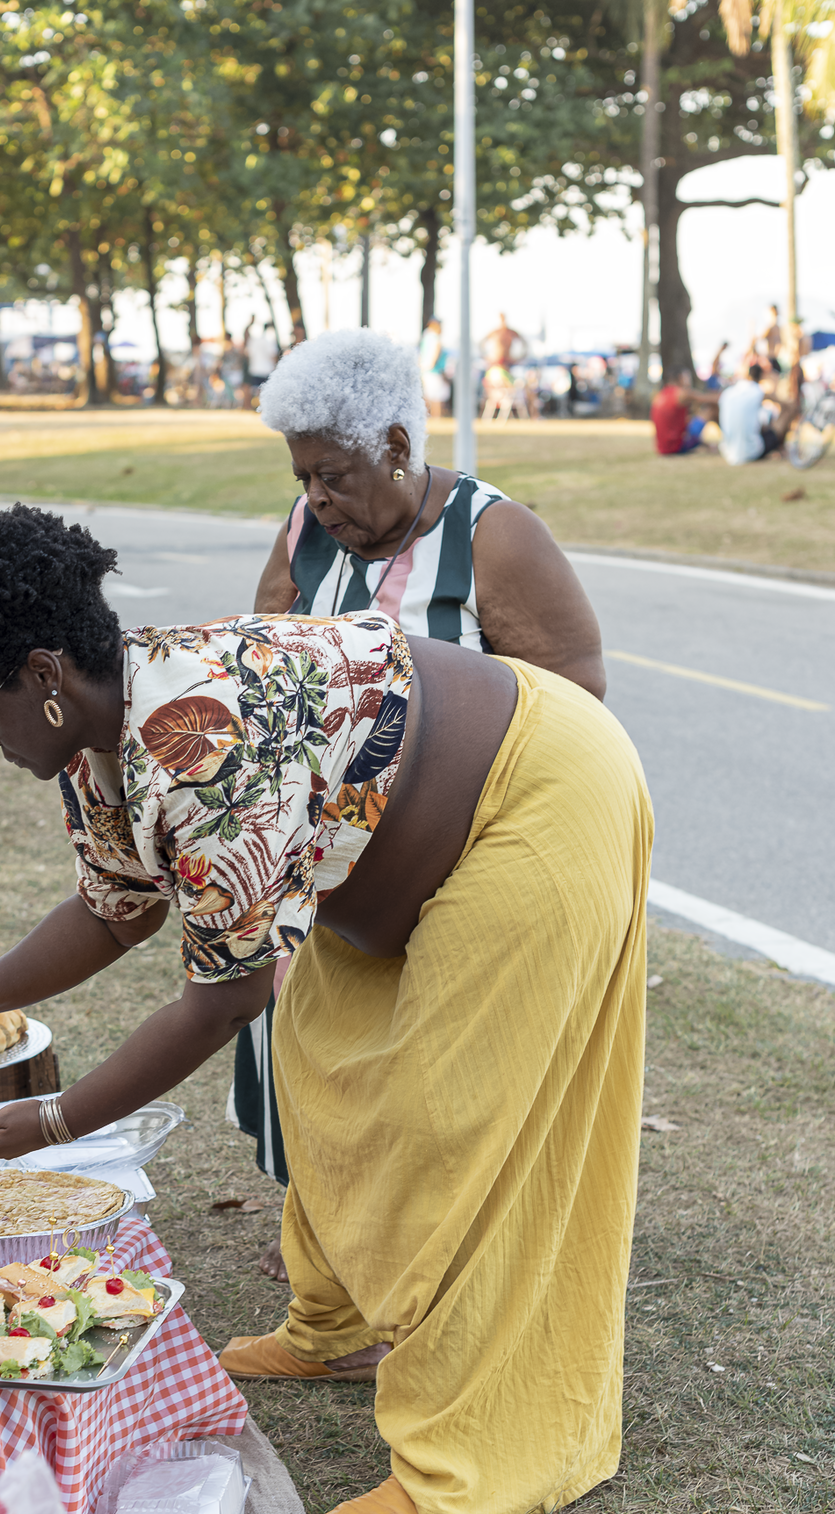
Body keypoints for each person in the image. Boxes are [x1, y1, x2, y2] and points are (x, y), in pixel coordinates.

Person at [0, 502, 652, 1514]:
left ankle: (468, 1459)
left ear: (44, 678)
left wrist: (48, 1121)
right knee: (319, 1068)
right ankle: (335, 1329)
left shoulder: (197, 740)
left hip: (539, 800)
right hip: (380, 856)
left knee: (457, 1127)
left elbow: (222, 998)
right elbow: (117, 908)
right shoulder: (102, 741)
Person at [242, 328, 606, 1276]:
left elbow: (573, 706)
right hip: (337, 862)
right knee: (308, 1044)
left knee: (425, 1071)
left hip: (460, 863)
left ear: (399, 446)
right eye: (303, 476)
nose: (317, 498)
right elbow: (262, 656)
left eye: (334, 475)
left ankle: (411, 1254)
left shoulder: (495, 535)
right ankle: (329, 1229)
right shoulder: (305, 529)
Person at [719, 361, 799, 465]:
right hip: (751, 451)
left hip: (728, 453)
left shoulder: (729, 392)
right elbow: (788, 405)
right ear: (762, 376)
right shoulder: (758, 391)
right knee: (787, 413)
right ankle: (781, 447)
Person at [651, 370, 714, 455]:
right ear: (681, 378)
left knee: (691, 419)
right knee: (710, 410)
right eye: (687, 377)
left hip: (662, 448)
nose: (689, 380)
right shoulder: (682, 393)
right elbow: (708, 398)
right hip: (676, 447)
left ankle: (709, 445)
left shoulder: (661, 394)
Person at [418, 318, 450, 417]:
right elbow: (434, 355)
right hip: (433, 370)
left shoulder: (426, 337)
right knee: (435, 397)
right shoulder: (435, 338)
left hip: (425, 369)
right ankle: (435, 416)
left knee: (428, 395)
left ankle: (428, 416)